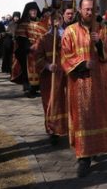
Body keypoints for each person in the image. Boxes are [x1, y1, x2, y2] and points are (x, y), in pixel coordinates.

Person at [60, 0, 107, 178]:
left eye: (93, 9)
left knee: (100, 116)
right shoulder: (70, 31)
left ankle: (95, 149)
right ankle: (83, 158)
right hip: (80, 83)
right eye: (86, 9)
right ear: (80, 10)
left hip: (100, 81)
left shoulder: (104, 30)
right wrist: (82, 64)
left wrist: (100, 43)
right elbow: (65, 56)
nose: (90, 12)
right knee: (83, 118)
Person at [37, 10, 68, 145]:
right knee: (51, 102)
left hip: (66, 74)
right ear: (49, 22)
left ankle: (67, 128)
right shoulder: (43, 38)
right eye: (53, 20)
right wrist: (48, 66)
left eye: (58, 19)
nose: (56, 22)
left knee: (66, 101)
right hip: (50, 77)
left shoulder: (67, 36)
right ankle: (52, 129)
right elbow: (37, 58)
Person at [13, 2, 47, 97]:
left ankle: (36, 88)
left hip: (39, 51)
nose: (34, 12)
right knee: (27, 70)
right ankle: (28, 89)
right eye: (32, 10)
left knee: (38, 70)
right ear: (28, 12)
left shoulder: (41, 23)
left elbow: (45, 36)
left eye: (35, 10)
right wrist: (29, 47)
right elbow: (20, 38)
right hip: (26, 51)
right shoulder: (23, 24)